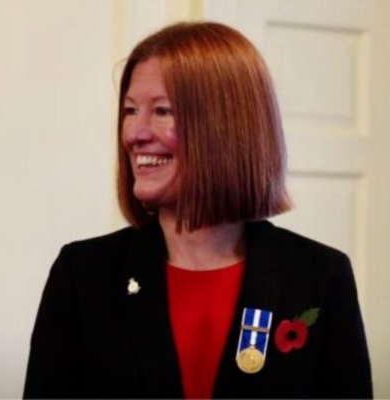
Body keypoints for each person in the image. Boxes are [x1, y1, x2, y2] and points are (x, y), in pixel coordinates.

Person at [23, 21, 372, 399]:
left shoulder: (320, 277)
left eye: (161, 111)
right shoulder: (82, 275)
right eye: (130, 110)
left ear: (227, 126)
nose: (134, 133)